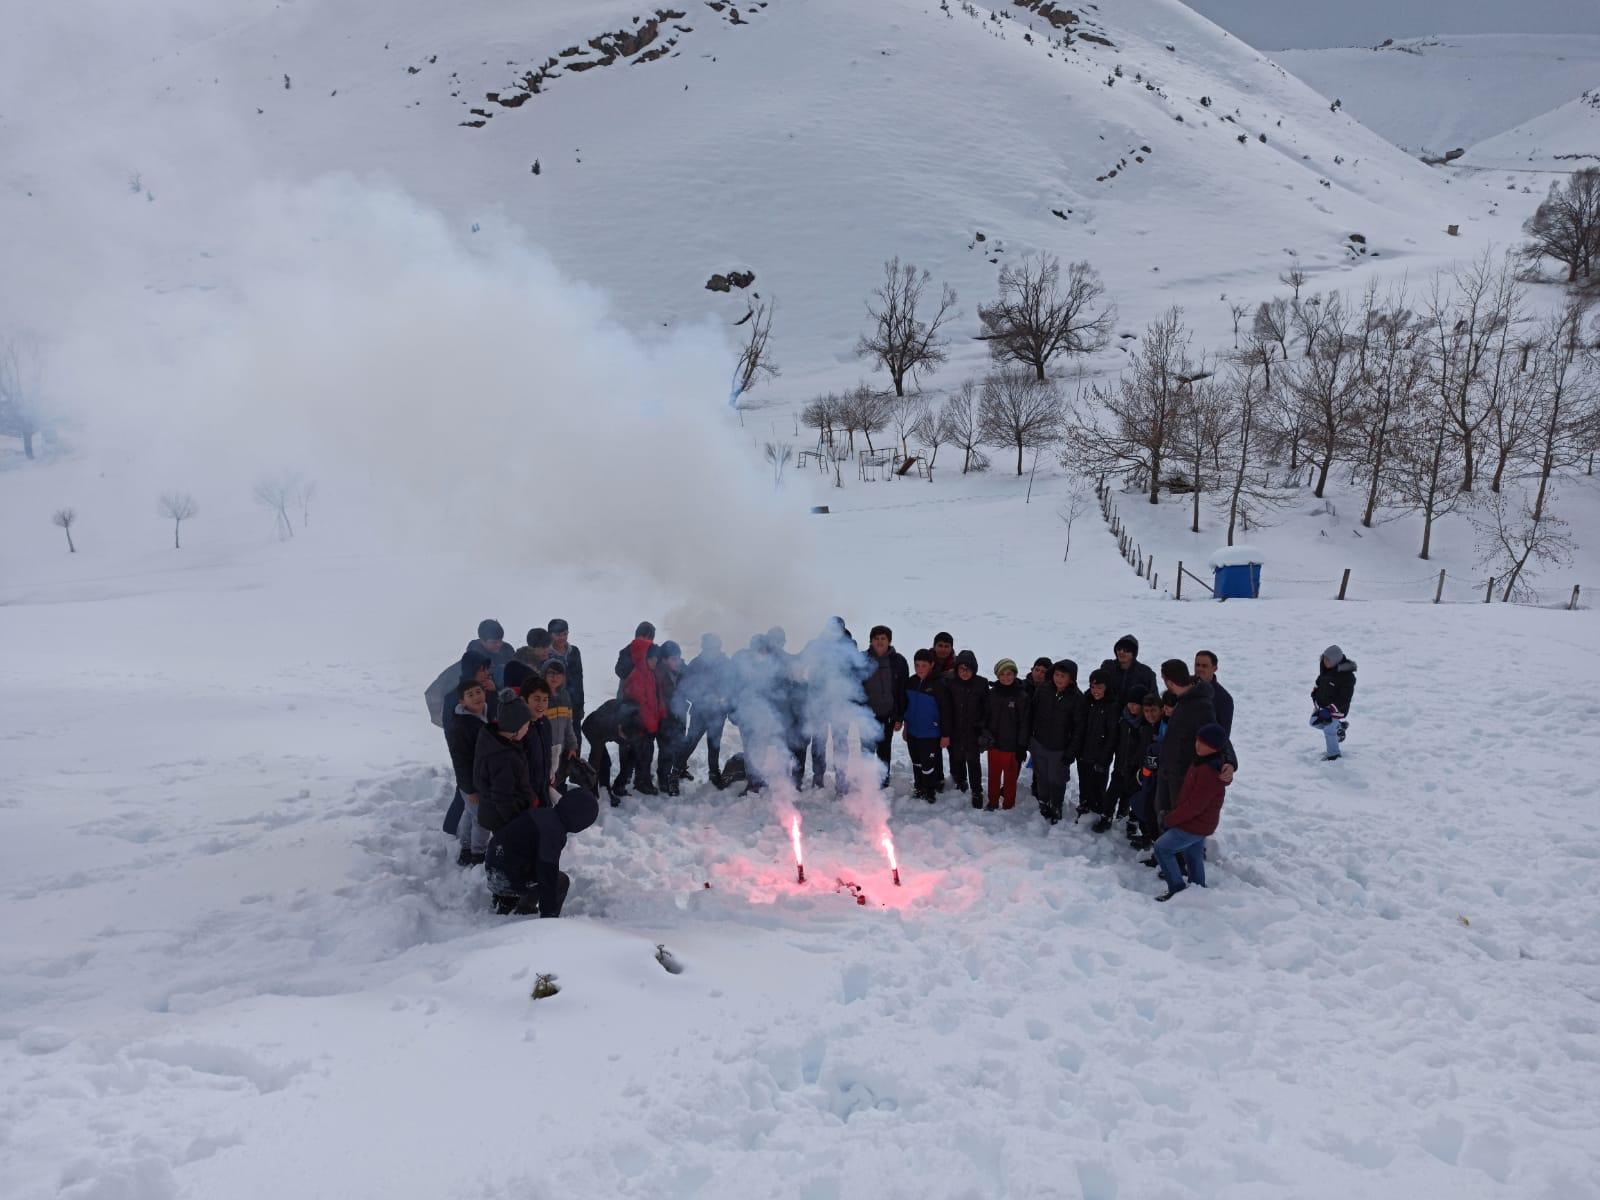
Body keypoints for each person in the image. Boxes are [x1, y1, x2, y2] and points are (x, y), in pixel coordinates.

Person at [484, 784, 601, 917]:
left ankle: (506, 900)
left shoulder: (545, 814)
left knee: (534, 868)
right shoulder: (553, 833)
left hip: (494, 862)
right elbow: (547, 875)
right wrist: (548, 912)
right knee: (561, 882)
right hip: (503, 876)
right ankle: (527, 911)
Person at [1154, 660, 1237, 839]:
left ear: (1168, 682)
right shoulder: (1183, 699)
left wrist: (1230, 761)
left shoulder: (1200, 706)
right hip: (1168, 774)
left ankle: (1178, 863)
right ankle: (1164, 857)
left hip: (1182, 778)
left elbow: (1217, 735)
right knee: (1163, 816)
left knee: (1178, 822)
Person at [1154, 723, 1230, 902]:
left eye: (1203, 742)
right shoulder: (1204, 761)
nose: (1197, 745)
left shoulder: (1208, 770)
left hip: (1196, 824)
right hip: (1202, 823)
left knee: (1162, 848)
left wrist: (1170, 819)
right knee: (1192, 853)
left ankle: (1177, 888)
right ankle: (1198, 888)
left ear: (1214, 747)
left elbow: (1195, 806)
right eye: (1197, 740)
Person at [800, 618, 862, 793]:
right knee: (819, 742)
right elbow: (801, 665)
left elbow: (856, 674)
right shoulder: (816, 645)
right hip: (819, 702)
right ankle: (818, 778)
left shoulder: (850, 647)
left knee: (841, 744)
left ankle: (842, 781)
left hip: (840, 703)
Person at [445, 675, 492, 865]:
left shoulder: (485, 714)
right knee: (482, 818)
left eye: (479, 692)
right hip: (472, 782)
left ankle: (465, 847)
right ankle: (477, 854)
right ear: (462, 702)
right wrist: (470, 788)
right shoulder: (461, 726)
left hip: (481, 779)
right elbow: (460, 761)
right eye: (470, 694)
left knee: (470, 813)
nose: (476, 697)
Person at [1028, 659, 1082, 824]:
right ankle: (1044, 802)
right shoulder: (1043, 689)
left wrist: (1071, 751)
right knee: (1042, 776)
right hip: (1039, 742)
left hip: (1060, 748)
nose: (1058, 679)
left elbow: (1079, 728)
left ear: (1071, 679)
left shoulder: (1077, 698)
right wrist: (1030, 739)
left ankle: (1056, 805)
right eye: (1057, 675)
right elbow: (1032, 713)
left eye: (1063, 676)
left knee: (1057, 779)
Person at [678, 633, 732, 788]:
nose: (711, 650)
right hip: (699, 712)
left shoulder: (725, 664)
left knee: (714, 744)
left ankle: (714, 773)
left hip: (718, 712)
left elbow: (731, 685)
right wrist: (698, 699)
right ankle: (676, 770)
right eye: (708, 647)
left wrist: (724, 700)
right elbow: (686, 686)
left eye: (713, 647)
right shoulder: (696, 664)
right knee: (691, 742)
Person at [862, 626, 909, 785]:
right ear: (871, 641)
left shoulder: (898, 661)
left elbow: (902, 691)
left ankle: (883, 780)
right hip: (867, 716)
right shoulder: (862, 659)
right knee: (866, 750)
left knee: (884, 749)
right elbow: (855, 687)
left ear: (889, 641)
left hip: (888, 714)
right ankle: (867, 780)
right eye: (876, 638)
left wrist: (899, 716)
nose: (879, 641)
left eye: (883, 638)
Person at [903, 648, 950, 802]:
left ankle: (930, 791)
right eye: (917, 665)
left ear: (931, 665)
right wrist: (906, 726)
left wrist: (945, 734)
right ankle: (919, 787)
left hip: (930, 734)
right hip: (913, 732)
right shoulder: (911, 682)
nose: (920, 669)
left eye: (924, 665)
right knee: (916, 762)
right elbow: (907, 706)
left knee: (928, 765)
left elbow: (946, 711)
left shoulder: (939, 685)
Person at [1076, 668, 1121, 830]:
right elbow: (1080, 727)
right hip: (1084, 752)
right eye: (1093, 686)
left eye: (1099, 687)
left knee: (1098, 785)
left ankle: (1098, 811)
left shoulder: (1112, 706)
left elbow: (1112, 736)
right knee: (1084, 782)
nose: (1095, 691)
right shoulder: (1086, 701)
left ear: (1107, 687)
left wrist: (1105, 757)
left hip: (1100, 754)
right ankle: (1084, 806)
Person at [943, 650, 988, 806]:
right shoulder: (951, 683)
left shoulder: (981, 684)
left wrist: (982, 729)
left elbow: (986, 709)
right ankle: (960, 782)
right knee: (957, 758)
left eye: (968, 669)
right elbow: (947, 708)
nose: (964, 672)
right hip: (955, 730)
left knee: (973, 762)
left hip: (973, 732)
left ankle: (977, 791)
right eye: (961, 668)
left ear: (974, 670)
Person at [985, 659, 1030, 811]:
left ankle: (1008, 805)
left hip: (1012, 746)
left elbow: (1025, 723)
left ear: (1015, 674)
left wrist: (1021, 746)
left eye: (1009, 674)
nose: (1006, 677)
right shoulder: (992, 694)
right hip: (994, 744)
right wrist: (984, 735)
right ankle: (992, 801)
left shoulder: (1021, 696)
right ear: (997, 676)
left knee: (1010, 779)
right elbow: (985, 716)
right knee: (993, 776)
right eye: (1002, 674)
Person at [581, 697, 644, 806]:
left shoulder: (635, 721)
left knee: (632, 754)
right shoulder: (605, 724)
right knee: (603, 762)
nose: (624, 741)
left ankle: (614, 787)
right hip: (591, 728)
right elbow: (595, 760)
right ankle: (594, 791)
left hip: (611, 725)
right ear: (619, 728)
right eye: (623, 737)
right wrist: (591, 786)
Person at [620, 635, 663, 794]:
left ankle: (642, 780)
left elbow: (653, 701)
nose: (655, 662)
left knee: (646, 755)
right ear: (643, 658)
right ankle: (636, 783)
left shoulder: (649, 674)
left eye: (656, 659)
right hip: (639, 726)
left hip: (648, 726)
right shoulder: (637, 676)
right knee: (639, 756)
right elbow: (640, 705)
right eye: (652, 659)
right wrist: (650, 725)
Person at [425, 647, 499, 728]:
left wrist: (494, 693)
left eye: (487, 669)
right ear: (472, 671)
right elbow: (451, 730)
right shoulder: (454, 697)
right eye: (482, 670)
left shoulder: (487, 688)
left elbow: (497, 716)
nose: (487, 673)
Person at [1109, 684, 1148, 835]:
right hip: (1120, 762)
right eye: (1130, 703)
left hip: (1136, 767)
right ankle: (1107, 815)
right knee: (1113, 792)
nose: (1132, 707)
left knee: (1133, 795)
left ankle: (1129, 819)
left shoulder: (1145, 724)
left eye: (1136, 704)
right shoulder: (1123, 719)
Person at [1128, 691, 1165, 849]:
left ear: (1161, 710)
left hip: (1157, 778)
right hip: (1143, 774)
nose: (1150, 714)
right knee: (1141, 804)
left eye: (1153, 710)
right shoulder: (1145, 727)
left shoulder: (1163, 729)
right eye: (1147, 711)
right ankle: (1147, 836)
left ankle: (1157, 844)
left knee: (1152, 811)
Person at [1311, 644, 1357, 760]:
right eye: (1324, 658)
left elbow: (1344, 698)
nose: (1325, 662)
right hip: (1322, 707)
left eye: (1328, 659)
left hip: (1337, 709)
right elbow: (1318, 684)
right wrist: (1314, 695)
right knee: (1313, 722)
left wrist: (1329, 709)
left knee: (1329, 730)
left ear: (1335, 660)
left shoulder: (1347, 678)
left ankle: (1334, 755)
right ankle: (1339, 728)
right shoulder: (1326, 670)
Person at [547, 619, 585, 753]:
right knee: (555, 742)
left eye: (565, 634)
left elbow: (579, 679)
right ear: (550, 635)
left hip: (573, 703)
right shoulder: (547, 654)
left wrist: (580, 705)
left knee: (575, 740)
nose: (562, 638)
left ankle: (575, 772)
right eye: (558, 635)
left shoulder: (574, 651)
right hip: (554, 705)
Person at [655, 640, 688, 794]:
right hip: (665, 718)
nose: (677, 661)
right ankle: (663, 779)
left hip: (680, 716)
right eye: (673, 659)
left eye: (678, 657)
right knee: (666, 750)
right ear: (664, 660)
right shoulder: (658, 675)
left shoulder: (682, 671)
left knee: (679, 747)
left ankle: (673, 776)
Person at [542, 659, 580, 784]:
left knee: (559, 782)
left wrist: (572, 746)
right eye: (551, 673)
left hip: (561, 750)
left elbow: (569, 724)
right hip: (544, 751)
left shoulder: (565, 696)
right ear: (544, 674)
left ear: (564, 677)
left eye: (559, 674)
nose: (555, 677)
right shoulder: (540, 696)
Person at [929, 632, 959, 788]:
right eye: (940, 645)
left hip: (953, 714)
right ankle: (938, 778)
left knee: (954, 749)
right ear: (934, 646)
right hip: (932, 713)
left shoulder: (957, 665)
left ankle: (958, 776)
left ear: (951, 648)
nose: (943, 649)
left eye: (947, 646)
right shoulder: (927, 663)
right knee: (934, 748)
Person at [1099, 634, 1158, 711]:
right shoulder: (1108, 667)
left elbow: (1154, 699)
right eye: (1119, 649)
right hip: (1108, 714)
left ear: (1134, 653)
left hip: (1134, 718)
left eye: (1126, 650)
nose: (1121, 652)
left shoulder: (1146, 673)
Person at [1194, 650, 1233, 737]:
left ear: (1215, 668)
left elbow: (1223, 735)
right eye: (1197, 665)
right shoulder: (1184, 687)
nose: (1199, 669)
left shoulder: (1223, 698)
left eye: (1204, 666)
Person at [468, 619, 517, 688]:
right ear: (482, 641)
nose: (499, 645)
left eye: (500, 641)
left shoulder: (507, 648)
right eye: (494, 642)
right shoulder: (474, 652)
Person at [615, 621, 656, 697]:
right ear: (647, 636)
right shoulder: (651, 654)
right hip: (633, 703)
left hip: (624, 702)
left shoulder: (626, 652)